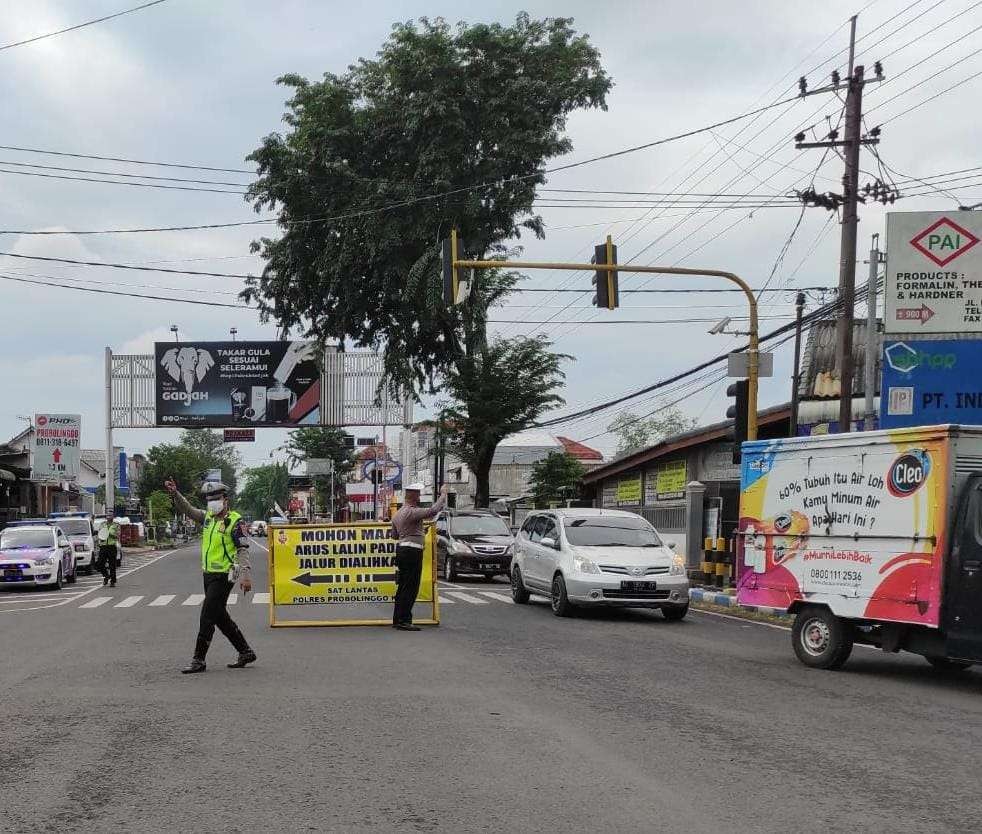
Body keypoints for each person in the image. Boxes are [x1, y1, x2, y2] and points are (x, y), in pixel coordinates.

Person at [164, 478, 256, 674]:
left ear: (226, 500)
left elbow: (243, 549)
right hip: (208, 575)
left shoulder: (235, 521)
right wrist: (175, 493)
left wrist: (245, 576)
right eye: (209, 499)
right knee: (220, 616)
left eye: (217, 498)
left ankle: (199, 660)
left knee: (207, 615)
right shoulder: (207, 518)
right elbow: (188, 510)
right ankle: (245, 651)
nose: (213, 502)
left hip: (224, 575)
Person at [389, 482, 448, 631]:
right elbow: (434, 510)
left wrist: (417, 531)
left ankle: (398, 619)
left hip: (402, 550)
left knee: (403, 586)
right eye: (419, 494)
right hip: (412, 551)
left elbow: (394, 536)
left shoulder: (397, 514)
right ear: (414, 497)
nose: (420, 497)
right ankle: (405, 620)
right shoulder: (412, 512)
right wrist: (443, 494)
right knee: (411, 587)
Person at [96, 516, 119, 587]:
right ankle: (106, 575)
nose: (109, 517)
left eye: (111, 515)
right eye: (108, 516)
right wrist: (100, 539)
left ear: (113, 517)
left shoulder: (116, 525)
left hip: (112, 546)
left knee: (112, 565)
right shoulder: (102, 524)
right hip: (103, 546)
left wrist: (110, 535)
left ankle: (113, 581)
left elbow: (117, 535)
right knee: (99, 563)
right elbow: (100, 534)